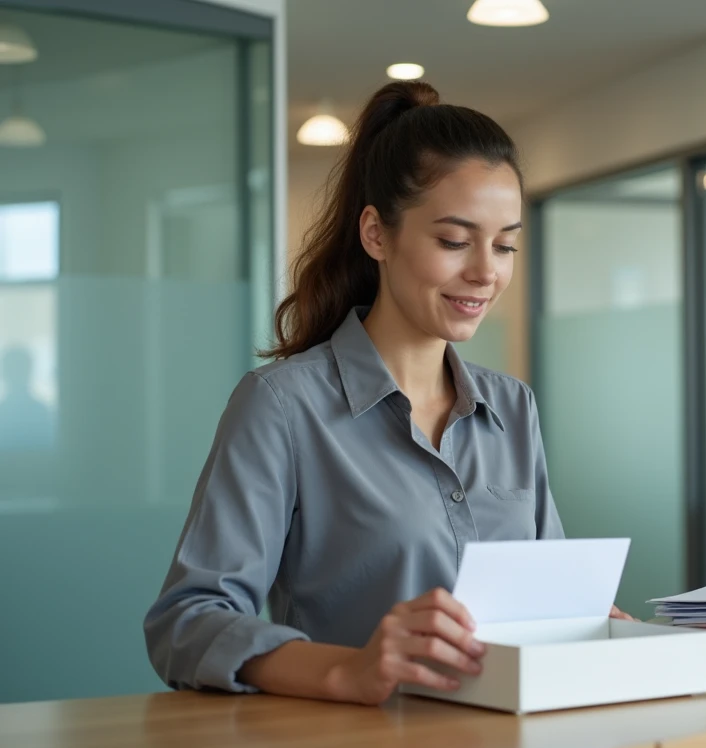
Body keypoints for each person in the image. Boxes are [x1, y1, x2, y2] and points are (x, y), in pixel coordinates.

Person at [145, 81, 631, 706]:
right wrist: (349, 670)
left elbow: (546, 600)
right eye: (454, 241)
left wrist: (585, 622)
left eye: (505, 244)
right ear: (377, 234)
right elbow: (186, 624)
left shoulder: (513, 407)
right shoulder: (282, 407)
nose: (486, 272)